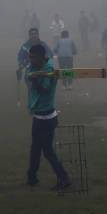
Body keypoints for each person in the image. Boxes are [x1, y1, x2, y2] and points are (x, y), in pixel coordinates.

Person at [25, 44, 70, 190]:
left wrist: (37, 78)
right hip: (38, 116)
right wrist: (32, 75)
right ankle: (32, 177)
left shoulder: (49, 69)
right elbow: (28, 75)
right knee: (35, 149)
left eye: (33, 57)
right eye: (29, 57)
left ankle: (63, 178)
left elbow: (44, 90)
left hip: (48, 117)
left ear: (40, 56)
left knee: (48, 151)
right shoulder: (33, 67)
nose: (30, 60)